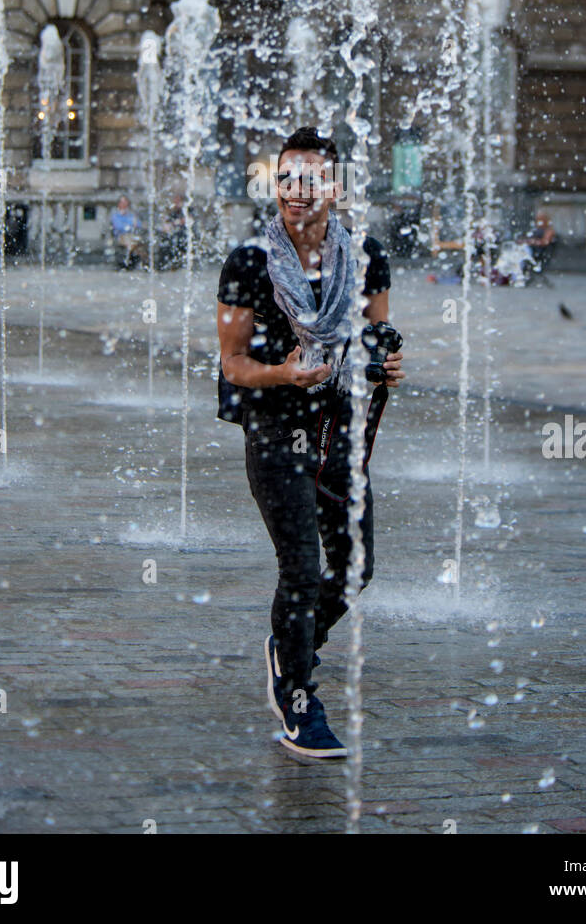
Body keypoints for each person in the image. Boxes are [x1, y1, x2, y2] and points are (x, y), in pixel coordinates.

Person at [217, 127, 404, 759]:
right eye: (285, 178)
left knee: (355, 569)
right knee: (300, 568)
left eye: (310, 179)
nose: (296, 192)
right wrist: (283, 373)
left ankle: (289, 645)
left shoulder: (368, 257)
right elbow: (233, 364)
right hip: (274, 427)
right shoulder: (250, 261)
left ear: (336, 187)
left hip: (338, 429)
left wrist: (390, 367)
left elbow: (378, 343)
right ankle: (298, 699)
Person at [110, 194, 145, 268]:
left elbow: (138, 224)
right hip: (121, 236)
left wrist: (129, 225)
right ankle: (128, 260)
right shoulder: (116, 215)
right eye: (122, 202)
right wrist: (129, 226)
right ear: (119, 204)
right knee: (130, 242)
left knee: (141, 241)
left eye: (125, 202)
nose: (124, 204)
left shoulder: (131, 214)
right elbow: (119, 226)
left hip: (132, 235)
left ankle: (143, 260)